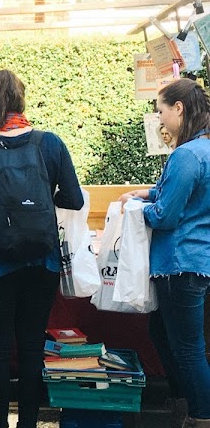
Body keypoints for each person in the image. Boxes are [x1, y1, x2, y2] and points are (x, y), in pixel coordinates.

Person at [0, 70, 83, 428]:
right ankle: (28, 423)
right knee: (31, 347)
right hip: (41, 261)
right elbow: (73, 199)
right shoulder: (51, 143)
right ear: (22, 101)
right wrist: (41, 199)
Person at [121, 79, 210, 428]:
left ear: (179, 109)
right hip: (197, 260)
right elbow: (169, 193)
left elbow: (166, 215)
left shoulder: (186, 155)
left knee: (188, 347)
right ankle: (184, 406)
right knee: (163, 335)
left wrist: (135, 208)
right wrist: (147, 194)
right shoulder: (203, 150)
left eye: (161, 109)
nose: (159, 118)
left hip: (179, 263)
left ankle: (201, 415)